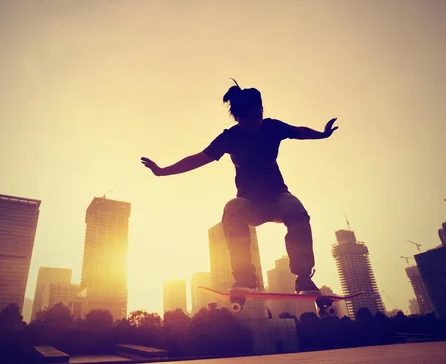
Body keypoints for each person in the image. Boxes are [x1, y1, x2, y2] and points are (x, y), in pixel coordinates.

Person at [141, 79, 338, 294]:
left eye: (256, 115)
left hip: (277, 198)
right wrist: (162, 171)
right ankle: (244, 278)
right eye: (245, 118)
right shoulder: (230, 137)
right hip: (250, 204)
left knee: (294, 206)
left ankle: (303, 278)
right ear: (237, 118)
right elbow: (198, 158)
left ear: (262, 110)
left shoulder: (273, 127)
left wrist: (322, 134)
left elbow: (299, 131)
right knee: (232, 208)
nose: (252, 122)